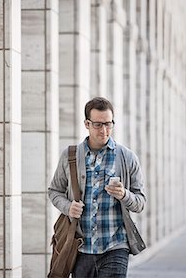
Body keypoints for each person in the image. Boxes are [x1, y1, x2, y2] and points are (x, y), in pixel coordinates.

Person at [48, 97, 146, 278]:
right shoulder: (70, 156)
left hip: (115, 246)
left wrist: (124, 194)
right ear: (87, 123)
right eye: (98, 125)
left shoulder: (127, 157)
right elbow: (54, 191)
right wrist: (68, 207)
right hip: (79, 248)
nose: (104, 130)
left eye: (108, 124)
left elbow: (140, 203)